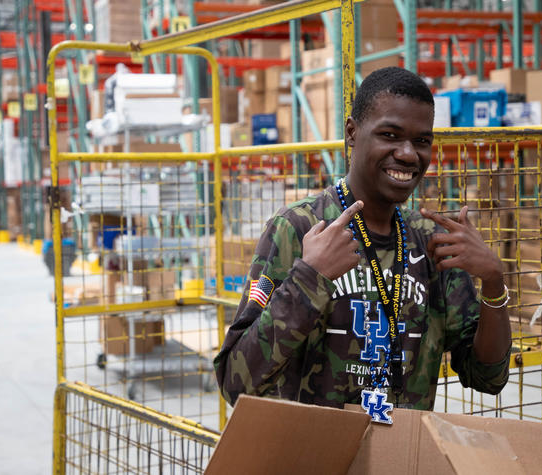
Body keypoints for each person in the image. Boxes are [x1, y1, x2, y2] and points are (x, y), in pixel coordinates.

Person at [214, 67, 510, 419]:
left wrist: (493, 283)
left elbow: (488, 377)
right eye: (390, 134)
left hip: (400, 457)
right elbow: (236, 381)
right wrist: (310, 278)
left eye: (421, 141)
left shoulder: (431, 241)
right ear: (353, 132)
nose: (408, 154)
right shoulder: (300, 228)